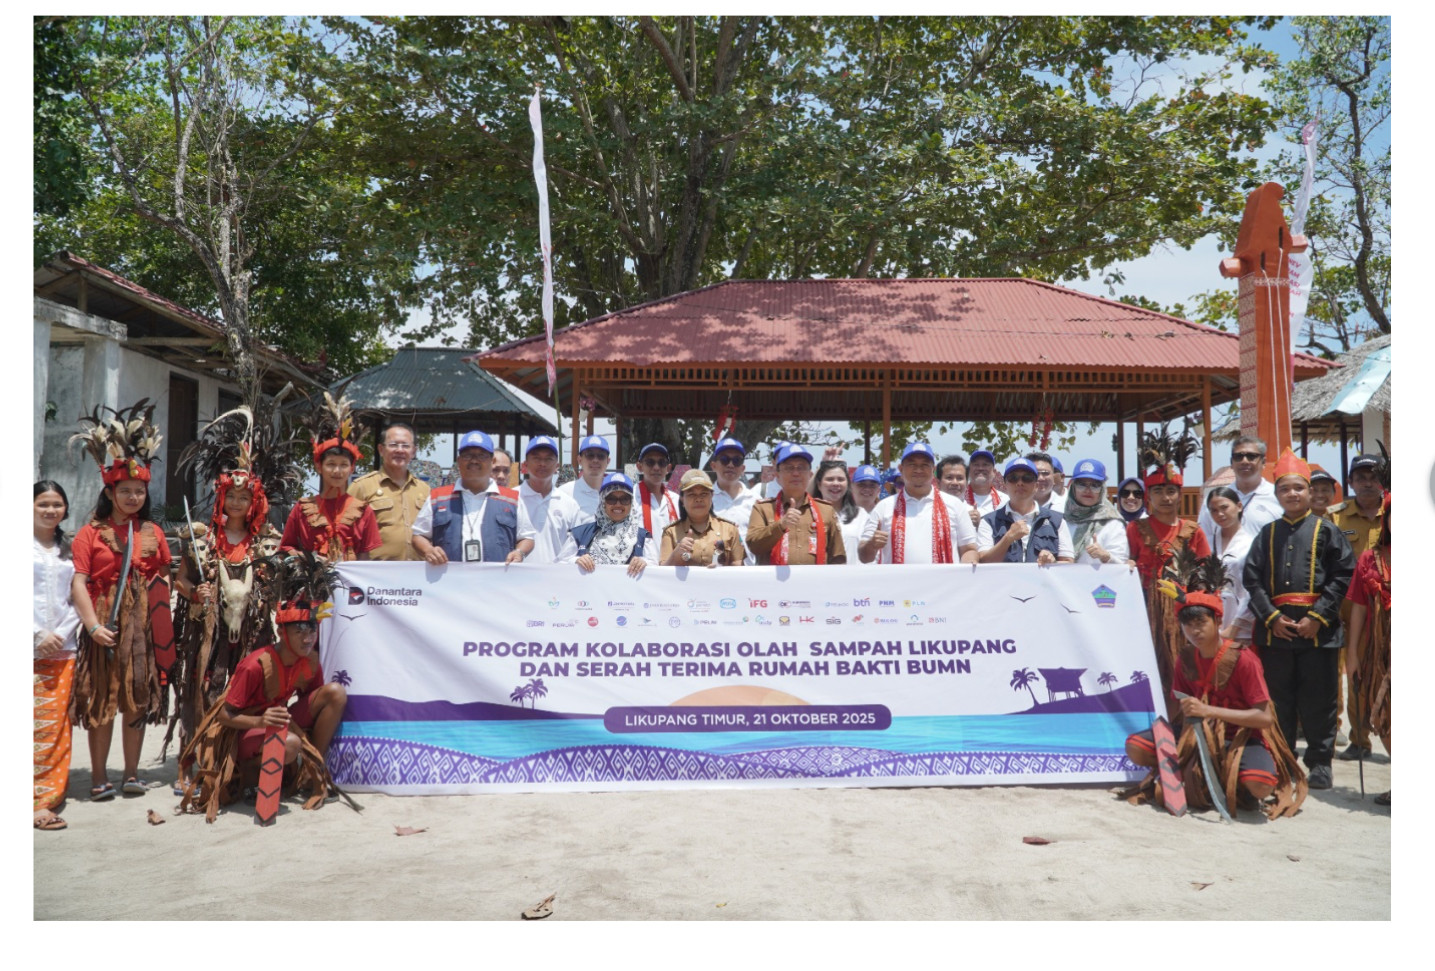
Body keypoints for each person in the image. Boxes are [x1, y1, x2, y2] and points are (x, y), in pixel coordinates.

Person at [1122, 556, 1306, 820]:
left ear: (1218, 622)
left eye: (1201, 623)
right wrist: (1166, 730)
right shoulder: (1185, 658)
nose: (1194, 631)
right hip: (1194, 734)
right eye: (1188, 625)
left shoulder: (1244, 660)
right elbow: (1177, 704)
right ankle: (1194, 775)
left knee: (1260, 782)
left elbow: (1264, 717)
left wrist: (1208, 711)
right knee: (1136, 746)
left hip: (1241, 736)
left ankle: (1231, 782)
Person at [169, 402, 289, 792]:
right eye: (231, 497)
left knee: (248, 699)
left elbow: (277, 589)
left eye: (244, 498)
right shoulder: (202, 541)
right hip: (210, 638)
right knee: (206, 693)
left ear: (254, 502)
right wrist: (195, 593)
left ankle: (242, 771)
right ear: (222, 498)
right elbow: (181, 582)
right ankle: (204, 767)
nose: (237, 503)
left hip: (253, 639)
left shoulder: (268, 543)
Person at [180, 557, 349, 823]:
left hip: (278, 720)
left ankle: (310, 772)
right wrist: (260, 720)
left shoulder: (310, 660)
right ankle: (250, 779)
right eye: (300, 630)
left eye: (312, 629)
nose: (308, 637)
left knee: (335, 693)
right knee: (290, 743)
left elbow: (312, 705)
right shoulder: (256, 665)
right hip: (245, 729)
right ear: (282, 632)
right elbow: (224, 716)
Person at [67, 401, 174, 801]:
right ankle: (98, 776)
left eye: (139, 491)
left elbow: (163, 578)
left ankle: (132, 774)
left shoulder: (154, 532)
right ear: (109, 492)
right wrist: (93, 626)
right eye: (125, 491)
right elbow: (79, 583)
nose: (132, 497)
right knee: (102, 699)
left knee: (137, 698)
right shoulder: (89, 534)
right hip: (104, 626)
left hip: (142, 627)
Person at [1242, 449, 1355, 791]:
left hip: (1318, 632)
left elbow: (1342, 575)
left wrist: (1319, 617)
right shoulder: (1267, 534)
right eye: (1284, 489)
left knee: (1320, 698)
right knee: (1280, 698)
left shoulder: (1328, 530)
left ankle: (1320, 762)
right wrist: (1271, 617)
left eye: (1298, 488)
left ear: (1310, 492)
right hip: (1276, 631)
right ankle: (1282, 757)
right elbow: (1252, 579)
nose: (1292, 494)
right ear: (1277, 495)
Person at [1127, 427, 1211, 720]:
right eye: (1158, 491)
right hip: (1145, 610)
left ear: (1180, 494)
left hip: (1183, 610)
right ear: (1148, 496)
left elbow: (1205, 576)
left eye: (1171, 491)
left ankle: (1184, 723)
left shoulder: (1192, 530)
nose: (1165, 498)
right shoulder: (1135, 529)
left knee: (1184, 666)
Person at [1330, 453, 1387, 762]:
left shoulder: (1395, 512)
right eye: (1360, 476)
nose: (1367, 482)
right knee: (1355, 678)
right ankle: (1359, 739)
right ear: (1350, 481)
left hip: (1388, 615)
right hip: (1348, 614)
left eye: (1373, 475)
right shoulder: (1334, 517)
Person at [412, 430, 535, 565]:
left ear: (492, 460)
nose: (474, 461)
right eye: (467, 456)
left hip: (498, 582)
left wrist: (520, 552)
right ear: (458, 460)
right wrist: (428, 550)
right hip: (448, 582)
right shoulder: (437, 497)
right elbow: (419, 535)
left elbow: (527, 537)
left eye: (481, 456)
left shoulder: (512, 499)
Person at [282, 394, 381, 560]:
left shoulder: (364, 511)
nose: (337, 471)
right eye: (331, 464)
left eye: (343, 465)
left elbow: (365, 557)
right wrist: (306, 559)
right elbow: (286, 547)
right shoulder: (301, 509)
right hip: (311, 583)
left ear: (352, 469)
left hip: (350, 584)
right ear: (319, 467)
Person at [34, 481, 80, 830]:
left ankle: (44, 800)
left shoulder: (69, 549)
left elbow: (79, 598)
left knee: (54, 728)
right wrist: (34, 634)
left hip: (63, 648)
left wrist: (61, 633)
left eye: (57, 504)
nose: (51, 510)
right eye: (43, 504)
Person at [860, 443, 978, 565]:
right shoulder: (884, 507)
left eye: (925, 465)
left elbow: (968, 549)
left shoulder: (954, 505)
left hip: (943, 583)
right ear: (901, 469)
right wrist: (871, 545)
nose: (918, 470)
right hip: (897, 583)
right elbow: (863, 556)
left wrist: (970, 563)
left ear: (933, 470)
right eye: (912, 464)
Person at [1344, 494, 1390, 805]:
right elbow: (1359, 607)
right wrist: (1353, 654)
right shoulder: (1369, 559)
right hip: (1378, 652)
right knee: (1385, 714)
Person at [747, 443, 847, 565]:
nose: (796, 473)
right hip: (774, 583)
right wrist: (780, 526)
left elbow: (838, 557)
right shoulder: (763, 508)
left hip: (815, 582)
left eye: (801, 467)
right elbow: (754, 547)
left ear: (810, 474)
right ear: (777, 474)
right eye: (789, 468)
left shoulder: (825, 510)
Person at [348, 421, 431, 561]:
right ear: (381, 449)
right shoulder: (361, 487)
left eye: (405, 445)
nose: (399, 450)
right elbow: (347, 533)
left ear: (413, 451)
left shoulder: (425, 490)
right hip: (376, 575)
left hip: (418, 574)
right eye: (393, 445)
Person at [977, 457, 1073, 564]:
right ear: (1005, 484)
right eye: (1013, 478)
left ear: (1036, 485)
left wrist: (1052, 561)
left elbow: (1068, 561)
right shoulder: (988, 521)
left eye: (1027, 478)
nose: (1020, 483)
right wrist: (1008, 538)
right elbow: (983, 561)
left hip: (1042, 581)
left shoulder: (1056, 520)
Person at [1197, 436, 1282, 549]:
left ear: (1263, 462)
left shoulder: (1277, 497)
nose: (1244, 461)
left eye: (1251, 456)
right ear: (1231, 462)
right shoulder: (1215, 499)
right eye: (1238, 457)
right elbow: (1202, 539)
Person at [558, 473, 650, 576]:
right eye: (611, 499)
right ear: (602, 502)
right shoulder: (580, 534)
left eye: (625, 499)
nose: (618, 504)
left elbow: (657, 569)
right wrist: (575, 561)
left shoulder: (643, 537)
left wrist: (644, 563)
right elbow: (558, 566)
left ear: (631, 502)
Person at [514, 436, 585, 564]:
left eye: (548, 459)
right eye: (536, 458)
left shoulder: (570, 504)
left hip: (556, 580)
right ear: (525, 464)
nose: (542, 463)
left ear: (557, 466)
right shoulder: (511, 498)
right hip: (516, 578)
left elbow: (575, 549)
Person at [661, 469, 744, 567]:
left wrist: (720, 572)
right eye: (691, 494)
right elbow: (663, 574)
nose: (698, 499)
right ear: (682, 499)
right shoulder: (670, 532)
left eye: (704, 494)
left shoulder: (730, 529)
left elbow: (739, 568)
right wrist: (676, 554)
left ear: (711, 496)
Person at [1204, 486, 1255, 644]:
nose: (1220, 514)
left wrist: (1235, 627)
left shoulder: (1252, 543)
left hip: (1241, 626)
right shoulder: (1207, 541)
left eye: (1224, 507)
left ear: (1239, 506)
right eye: (1213, 510)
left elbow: (1253, 589)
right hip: (1210, 624)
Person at [1063, 459, 1129, 566]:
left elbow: (1123, 565)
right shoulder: (1061, 518)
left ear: (1102, 489)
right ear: (1073, 487)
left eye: (1095, 485)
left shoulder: (1112, 523)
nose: (1088, 490)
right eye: (1081, 484)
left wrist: (1106, 556)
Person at [709, 436, 760, 564]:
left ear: (743, 468)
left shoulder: (756, 501)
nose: (730, 465)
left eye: (736, 460)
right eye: (724, 459)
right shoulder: (704, 500)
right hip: (714, 573)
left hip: (749, 575)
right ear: (713, 466)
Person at [556, 434, 611, 525]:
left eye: (601, 456)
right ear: (579, 460)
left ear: (608, 461)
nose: (595, 460)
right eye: (590, 455)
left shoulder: (618, 492)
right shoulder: (564, 493)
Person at [633, 442, 680, 538]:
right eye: (650, 462)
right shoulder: (629, 497)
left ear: (668, 468)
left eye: (662, 463)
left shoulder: (677, 501)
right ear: (640, 467)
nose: (656, 467)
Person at [964, 448, 1007, 526]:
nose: (980, 468)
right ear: (969, 471)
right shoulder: (958, 499)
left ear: (994, 472)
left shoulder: (1005, 501)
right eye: (976, 465)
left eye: (985, 465)